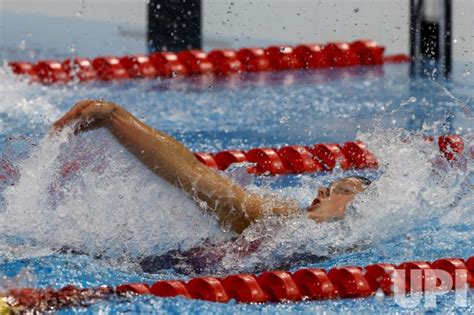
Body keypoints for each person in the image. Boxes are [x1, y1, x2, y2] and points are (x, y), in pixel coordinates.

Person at [53, 99, 371, 272]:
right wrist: (116, 118)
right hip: (156, 273)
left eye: (340, 191)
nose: (321, 192)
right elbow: (196, 177)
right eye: (330, 186)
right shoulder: (282, 217)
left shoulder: (343, 244)